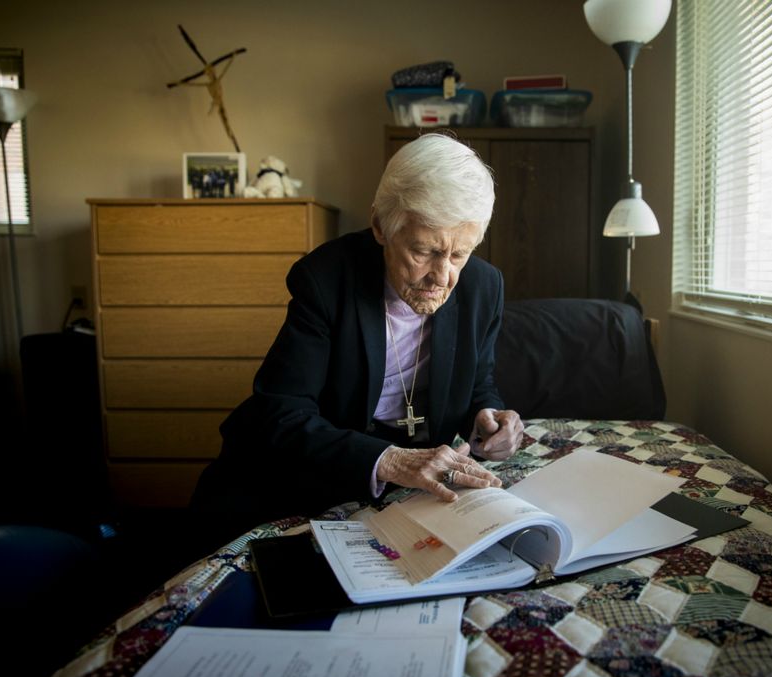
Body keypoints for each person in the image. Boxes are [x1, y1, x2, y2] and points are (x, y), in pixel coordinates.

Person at [191, 133, 524, 541]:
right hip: (306, 473)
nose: (442, 278)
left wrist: (488, 416)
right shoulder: (325, 280)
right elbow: (281, 413)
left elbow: (479, 383)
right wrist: (390, 460)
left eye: (459, 254)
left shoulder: (484, 287)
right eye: (423, 251)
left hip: (408, 487)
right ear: (381, 227)